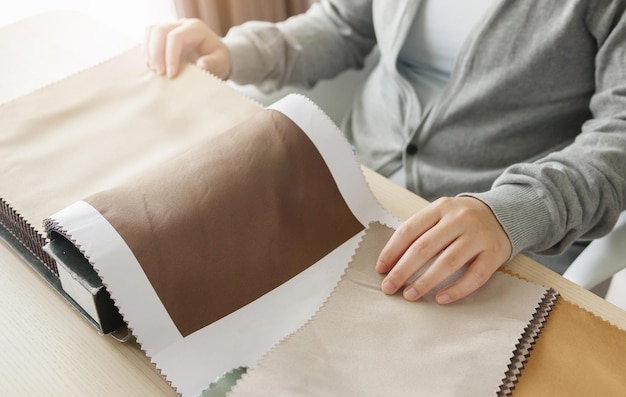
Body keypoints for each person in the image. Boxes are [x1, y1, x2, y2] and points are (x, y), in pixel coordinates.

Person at [145, 0, 626, 305]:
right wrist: (236, 52)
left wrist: (509, 212)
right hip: (348, 174)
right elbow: (342, 24)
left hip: (492, 236)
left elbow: (618, 138)